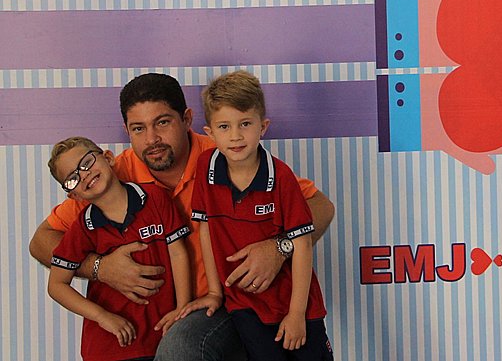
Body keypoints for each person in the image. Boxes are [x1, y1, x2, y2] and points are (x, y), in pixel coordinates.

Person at [29, 73, 335, 360]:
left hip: (226, 299)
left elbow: (320, 206)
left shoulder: (224, 154)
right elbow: (42, 241)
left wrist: (278, 247)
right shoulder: (109, 176)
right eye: (138, 129)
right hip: (158, 313)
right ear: (127, 131)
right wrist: (101, 268)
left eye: (162, 122)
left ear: (187, 119)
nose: (152, 139)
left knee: (180, 345)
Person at [180, 70, 333, 360]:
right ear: (210, 133)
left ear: (263, 127)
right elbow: (206, 228)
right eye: (224, 126)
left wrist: (296, 314)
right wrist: (215, 292)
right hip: (245, 305)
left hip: (294, 304)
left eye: (245, 124)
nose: (235, 136)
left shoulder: (282, 177)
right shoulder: (205, 167)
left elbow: (301, 243)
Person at [47, 136, 192, 361]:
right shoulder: (84, 227)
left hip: (161, 335)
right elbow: (56, 285)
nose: (84, 175)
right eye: (73, 178)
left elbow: (178, 253)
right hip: (109, 346)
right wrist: (101, 316)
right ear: (73, 195)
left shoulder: (155, 198)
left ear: (108, 158)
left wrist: (182, 309)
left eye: (86, 163)